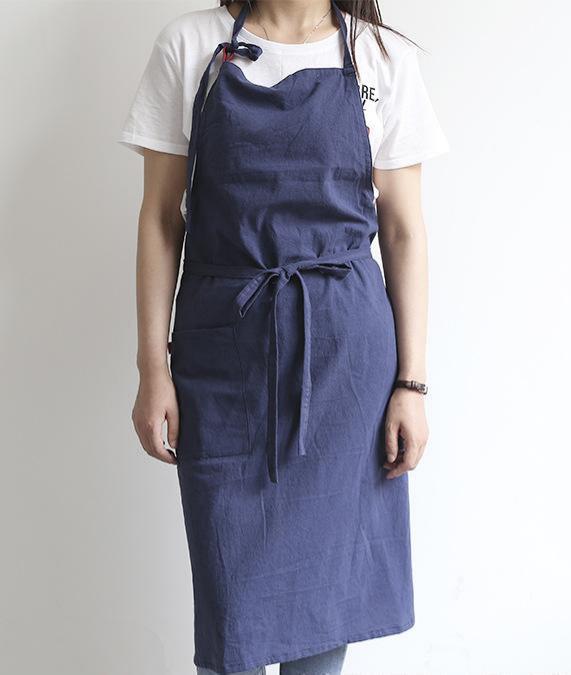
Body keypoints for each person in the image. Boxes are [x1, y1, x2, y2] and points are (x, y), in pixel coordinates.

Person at [118, 1, 449, 673]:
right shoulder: (190, 45)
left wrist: (411, 384)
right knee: (229, 617)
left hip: (344, 360)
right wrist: (154, 368)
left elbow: (404, 230)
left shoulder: (380, 57)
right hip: (222, 352)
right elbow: (160, 217)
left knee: (326, 599)